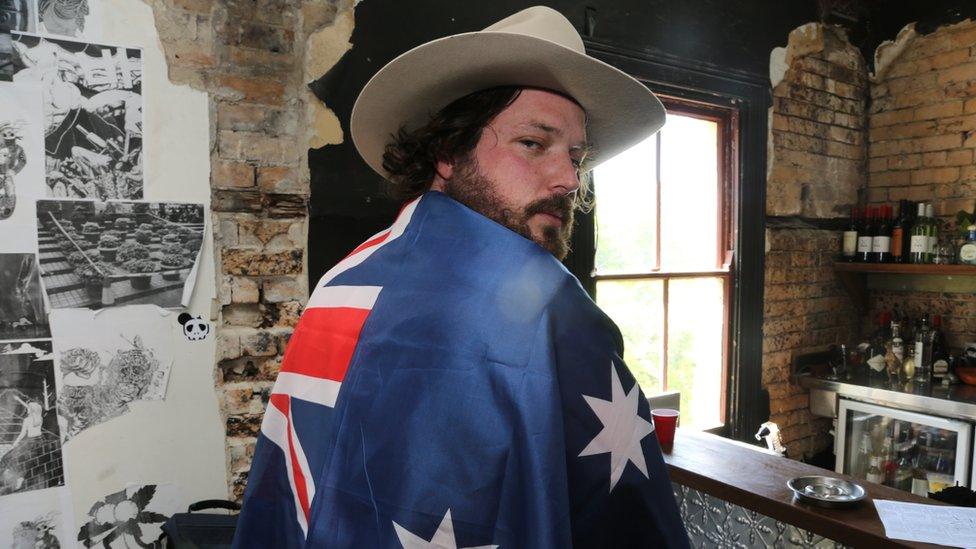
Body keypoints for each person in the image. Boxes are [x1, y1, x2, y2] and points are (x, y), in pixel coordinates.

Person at [234, 7, 689, 548]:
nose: (568, 178)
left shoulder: (346, 275)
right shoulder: (547, 306)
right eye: (533, 143)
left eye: (576, 155)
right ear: (449, 152)